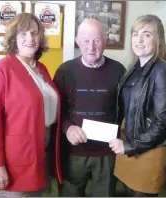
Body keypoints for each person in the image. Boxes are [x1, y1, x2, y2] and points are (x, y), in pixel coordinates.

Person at [0, 13, 62, 197]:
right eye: (23, 34)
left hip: (42, 151)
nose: (30, 39)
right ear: (13, 38)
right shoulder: (1, 70)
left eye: (34, 33)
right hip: (16, 158)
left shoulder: (41, 68)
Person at [53, 18, 126, 197]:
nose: (91, 47)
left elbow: (124, 110)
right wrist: (68, 128)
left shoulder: (119, 70)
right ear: (77, 41)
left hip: (107, 153)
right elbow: (56, 110)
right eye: (86, 40)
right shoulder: (65, 71)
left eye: (97, 40)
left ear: (105, 41)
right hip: (74, 153)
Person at [110, 15, 166, 197]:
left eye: (147, 34)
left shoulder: (162, 71)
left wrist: (131, 146)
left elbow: (163, 122)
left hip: (148, 152)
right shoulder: (134, 68)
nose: (139, 40)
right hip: (131, 146)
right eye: (135, 34)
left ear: (159, 40)